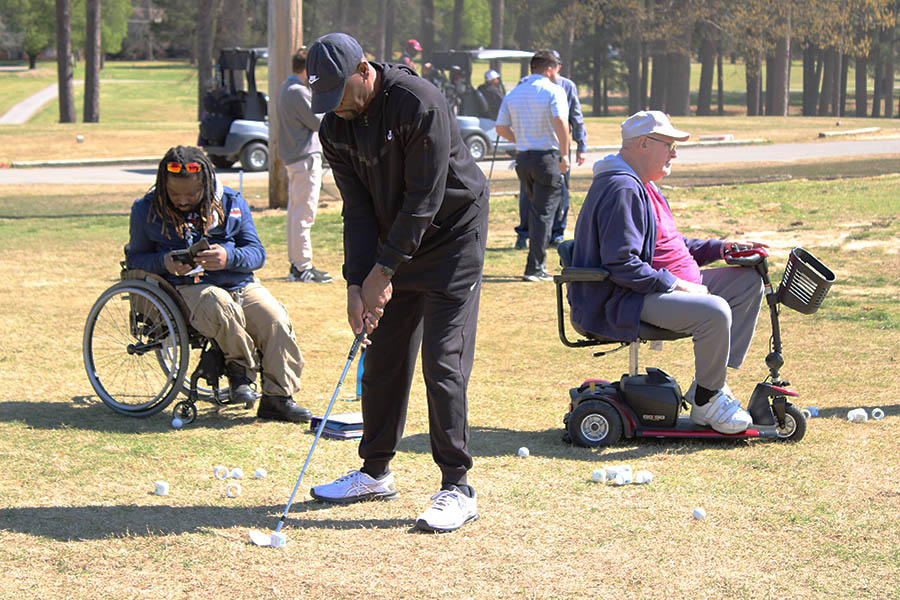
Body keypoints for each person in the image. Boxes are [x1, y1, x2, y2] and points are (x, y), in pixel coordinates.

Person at [304, 33, 489, 533]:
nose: (334, 110)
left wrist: (382, 273)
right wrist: (355, 284)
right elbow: (358, 211)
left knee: (442, 360)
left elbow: (424, 199)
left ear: (364, 70)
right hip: (395, 241)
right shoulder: (334, 129)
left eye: (339, 95)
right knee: (382, 352)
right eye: (325, 101)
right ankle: (375, 471)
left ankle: (457, 485)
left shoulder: (418, 102)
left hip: (451, 236)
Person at [569, 111, 766, 434]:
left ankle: (711, 385)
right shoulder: (622, 188)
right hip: (625, 298)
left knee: (747, 282)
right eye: (670, 145)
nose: (674, 153)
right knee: (715, 311)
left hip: (652, 287)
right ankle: (707, 399)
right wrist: (678, 286)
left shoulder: (643, 184)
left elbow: (670, 244)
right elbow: (622, 265)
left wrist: (722, 248)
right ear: (644, 144)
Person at [126, 145, 312, 424]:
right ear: (164, 186)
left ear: (207, 184)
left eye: (191, 194)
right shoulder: (146, 209)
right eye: (175, 194)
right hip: (183, 289)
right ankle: (241, 374)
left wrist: (228, 257)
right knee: (218, 303)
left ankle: (278, 398)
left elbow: (257, 254)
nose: (182, 200)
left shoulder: (231, 202)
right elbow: (135, 259)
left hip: (237, 282)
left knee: (274, 318)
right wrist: (165, 261)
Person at [495, 49, 569, 282]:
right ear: (549, 68)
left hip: (524, 157)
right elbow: (560, 121)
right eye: (557, 67)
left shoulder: (515, 92)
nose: (558, 72)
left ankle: (535, 264)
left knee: (536, 211)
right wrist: (565, 154)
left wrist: (522, 138)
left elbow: (500, 127)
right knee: (544, 213)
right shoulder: (553, 90)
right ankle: (534, 267)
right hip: (546, 157)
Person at [514, 50, 587, 250]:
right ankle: (524, 233)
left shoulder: (566, 86)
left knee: (560, 192)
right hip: (534, 148)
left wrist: (581, 146)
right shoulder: (525, 85)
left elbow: (575, 118)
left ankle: (556, 233)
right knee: (528, 194)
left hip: (558, 148)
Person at [276, 48, 333, 284]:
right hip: (305, 160)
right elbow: (319, 122)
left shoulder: (285, 88)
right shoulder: (298, 92)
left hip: (295, 159)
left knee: (296, 214)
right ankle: (303, 267)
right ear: (307, 69)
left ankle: (297, 264)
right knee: (304, 215)